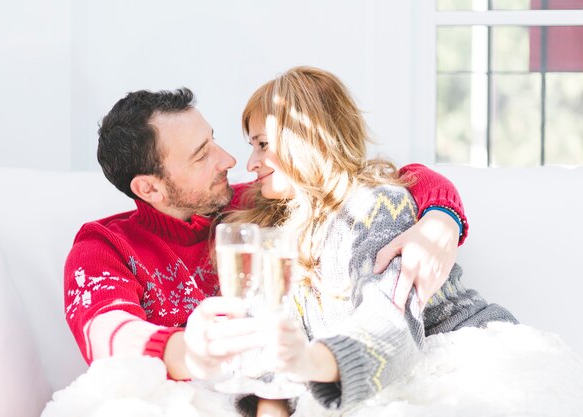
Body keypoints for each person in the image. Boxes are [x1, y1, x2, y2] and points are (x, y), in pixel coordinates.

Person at [64, 87, 470, 387]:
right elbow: (108, 334)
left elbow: (368, 179)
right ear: (149, 188)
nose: (229, 160)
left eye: (214, 139)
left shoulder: (250, 202)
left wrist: (441, 218)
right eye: (202, 154)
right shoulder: (104, 248)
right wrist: (189, 352)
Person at [220, 66, 517, 416]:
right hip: (376, 378)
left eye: (263, 144)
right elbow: (267, 343)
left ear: (306, 139)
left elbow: (391, 325)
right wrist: (271, 403)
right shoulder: (273, 227)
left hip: (471, 361)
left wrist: (309, 360)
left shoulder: (373, 207)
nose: (251, 163)